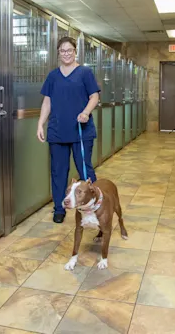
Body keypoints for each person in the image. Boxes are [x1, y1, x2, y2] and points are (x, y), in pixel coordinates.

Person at [37, 36, 100, 224]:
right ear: (58, 53)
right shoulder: (53, 76)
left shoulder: (85, 73)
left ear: (75, 51)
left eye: (69, 50)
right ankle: (59, 208)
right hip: (57, 131)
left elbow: (94, 96)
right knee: (58, 172)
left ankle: (94, 205)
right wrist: (40, 123)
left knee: (85, 171)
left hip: (81, 131)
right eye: (62, 51)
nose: (66, 53)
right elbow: (47, 101)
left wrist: (86, 112)